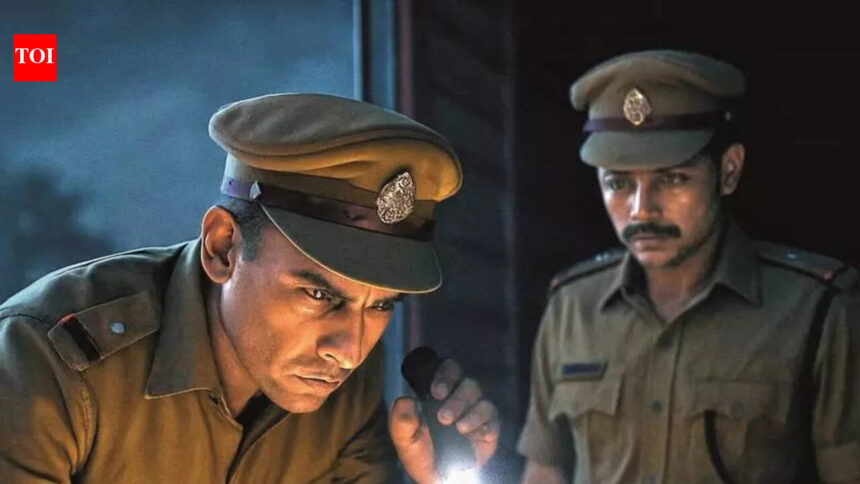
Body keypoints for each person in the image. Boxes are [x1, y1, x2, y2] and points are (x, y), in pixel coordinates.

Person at [0, 93, 499, 483]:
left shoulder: (345, 383)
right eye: (320, 296)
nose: (349, 350)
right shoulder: (47, 362)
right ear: (223, 247)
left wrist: (432, 479)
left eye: (381, 305)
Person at [517, 50, 860, 484]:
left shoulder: (818, 312)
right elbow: (544, 470)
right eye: (618, 183)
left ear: (728, 171)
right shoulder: (571, 308)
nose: (642, 210)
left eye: (672, 178)